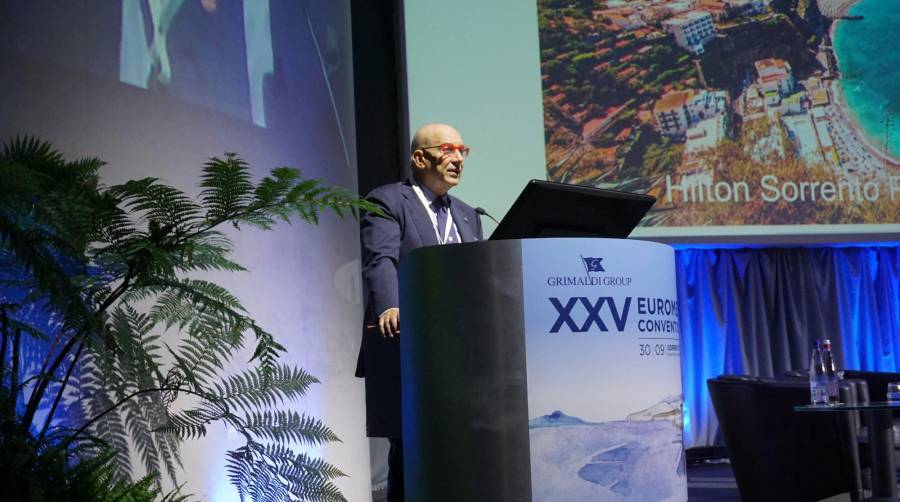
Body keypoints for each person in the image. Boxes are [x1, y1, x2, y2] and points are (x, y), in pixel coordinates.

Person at [356, 123, 483, 502]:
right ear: (419, 158)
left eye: (463, 149)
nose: (458, 158)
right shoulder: (389, 201)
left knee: (462, 457)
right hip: (409, 350)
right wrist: (391, 306)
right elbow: (380, 260)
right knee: (412, 457)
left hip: (462, 356)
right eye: (448, 149)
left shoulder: (468, 214)